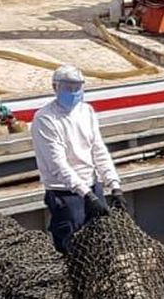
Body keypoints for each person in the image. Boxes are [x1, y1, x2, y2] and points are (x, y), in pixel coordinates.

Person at [32, 64, 127, 253]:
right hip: (65, 194)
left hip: (92, 186)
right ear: (55, 87)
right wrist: (86, 195)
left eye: (77, 87)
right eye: (68, 87)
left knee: (101, 244)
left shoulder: (87, 111)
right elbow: (58, 165)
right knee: (73, 247)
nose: (74, 92)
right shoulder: (45, 119)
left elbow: (99, 150)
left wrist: (114, 185)